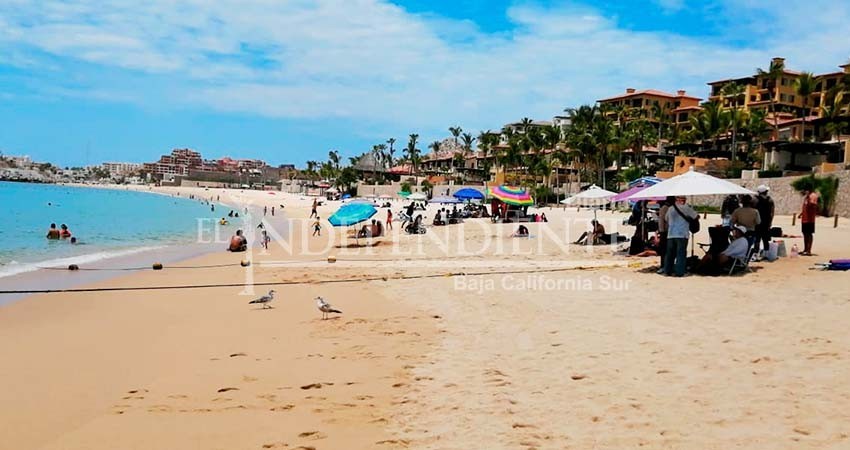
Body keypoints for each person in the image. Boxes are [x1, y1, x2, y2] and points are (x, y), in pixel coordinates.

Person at [664, 196, 697, 277]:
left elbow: (666, 218)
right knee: (681, 253)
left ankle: (667, 270)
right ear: (683, 200)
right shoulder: (687, 208)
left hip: (671, 234)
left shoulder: (670, 208)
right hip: (682, 234)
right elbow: (696, 217)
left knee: (670, 254)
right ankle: (679, 272)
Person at [754, 185, 775, 256]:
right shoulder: (770, 200)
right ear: (766, 192)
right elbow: (772, 213)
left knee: (757, 239)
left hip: (757, 223)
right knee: (765, 239)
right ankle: (766, 253)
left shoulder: (754, 200)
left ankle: (755, 253)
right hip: (766, 222)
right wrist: (770, 222)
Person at [656, 196, 674, 273]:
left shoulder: (665, 208)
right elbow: (662, 221)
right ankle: (665, 266)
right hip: (667, 232)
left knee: (665, 250)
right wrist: (662, 232)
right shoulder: (666, 208)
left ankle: (665, 266)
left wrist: (661, 231)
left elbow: (661, 221)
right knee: (666, 250)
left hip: (666, 232)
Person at [799, 188, 819, 255]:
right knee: (805, 233)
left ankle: (809, 250)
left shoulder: (813, 196)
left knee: (809, 234)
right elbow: (805, 207)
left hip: (810, 219)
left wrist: (811, 201)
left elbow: (814, 205)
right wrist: (801, 214)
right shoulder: (806, 197)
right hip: (804, 219)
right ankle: (805, 249)